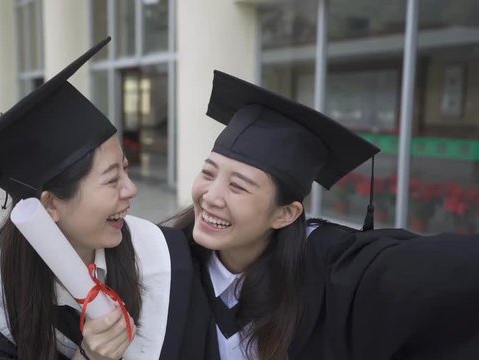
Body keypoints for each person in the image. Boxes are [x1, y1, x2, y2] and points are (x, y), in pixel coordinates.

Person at [0, 38, 200, 360]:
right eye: (113, 179)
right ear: (50, 205)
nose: (131, 189)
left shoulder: (164, 259)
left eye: (126, 169)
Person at [170, 70, 479, 360]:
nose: (210, 196)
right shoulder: (165, 259)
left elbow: (441, 275)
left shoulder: (333, 270)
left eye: (238, 187)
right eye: (208, 173)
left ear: (286, 214)